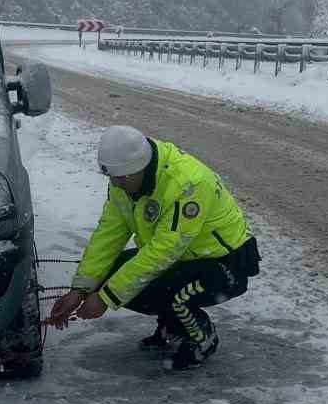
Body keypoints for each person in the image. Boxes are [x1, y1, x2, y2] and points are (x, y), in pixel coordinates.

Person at [49, 126, 260, 371]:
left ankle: (202, 337)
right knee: (110, 275)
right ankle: (172, 325)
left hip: (224, 265)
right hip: (183, 259)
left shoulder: (188, 184)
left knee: (170, 293)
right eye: (112, 178)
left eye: (122, 178)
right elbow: (108, 235)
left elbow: (163, 252)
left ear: (141, 167)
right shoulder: (123, 182)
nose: (116, 185)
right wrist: (81, 290)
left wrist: (106, 298)